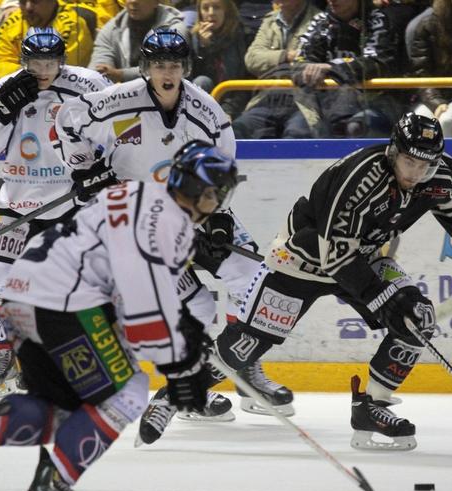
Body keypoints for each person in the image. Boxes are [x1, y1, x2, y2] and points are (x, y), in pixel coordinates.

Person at [0, 141, 239, 491]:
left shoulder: (136, 193)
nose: (214, 203)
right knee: (127, 392)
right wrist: (181, 366)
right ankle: (52, 487)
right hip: (63, 304)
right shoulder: (168, 222)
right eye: (212, 193)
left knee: (69, 407)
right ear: (193, 187)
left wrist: (182, 334)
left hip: (21, 298)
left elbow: (135, 293)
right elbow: (144, 317)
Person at [53, 27, 296, 442]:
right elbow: (67, 120)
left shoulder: (207, 111)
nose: (167, 73)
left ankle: (246, 366)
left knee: (254, 282)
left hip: (194, 213)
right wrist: (85, 168)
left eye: (175, 65)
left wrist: (219, 217)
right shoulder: (116, 100)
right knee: (197, 308)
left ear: (185, 67)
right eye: (159, 65)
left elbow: (224, 166)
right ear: (145, 68)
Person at [207, 113, 452, 451]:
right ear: (393, 152)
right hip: (301, 260)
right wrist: (382, 297)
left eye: (425, 165)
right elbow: (336, 255)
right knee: (246, 346)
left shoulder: (441, 175)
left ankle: (372, 408)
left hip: (363, 257)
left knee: (416, 318)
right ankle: (180, 392)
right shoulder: (362, 176)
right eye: (409, 162)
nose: (416, 173)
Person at [0, 27, 111, 399]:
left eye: (51, 62)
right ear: (24, 60)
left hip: (68, 205)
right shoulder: (4, 89)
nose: (44, 70)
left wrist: (97, 171)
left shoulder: (89, 84)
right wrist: (3, 112)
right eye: (36, 62)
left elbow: (115, 134)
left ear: (62, 60)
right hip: (16, 206)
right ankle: (2, 358)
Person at [291, 0, 405, 138]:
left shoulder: (379, 19)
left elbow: (379, 63)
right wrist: (309, 69)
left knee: (356, 127)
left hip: (374, 101)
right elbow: (299, 63)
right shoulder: (320, 21)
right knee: (296, 130)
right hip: (324, 104)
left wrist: (332, 69)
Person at [232, 0, 322, 139]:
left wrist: (272, 60)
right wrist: (286, 56)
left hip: (303, 101)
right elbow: (252, 59)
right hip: (267, 96)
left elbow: (307, 60)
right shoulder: (270, 20)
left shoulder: (320, 20)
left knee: (296, 136)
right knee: (237, 130)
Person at [0, 0, 109, 82]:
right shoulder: (12, 22)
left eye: (35, 1)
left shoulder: (75, 21)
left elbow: (59, 71)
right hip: (20, 93)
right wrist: (25, 71)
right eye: (23, 1)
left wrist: (23, 71)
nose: (28, 7)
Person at [408, 0, 452, 137]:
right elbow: (421, 72)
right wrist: (436, 102)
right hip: (437, 95)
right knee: (418, 122)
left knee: (446, 121)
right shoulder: (429, 24)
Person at [88, 0, 188, 82]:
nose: (133, 1)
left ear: (156, 2)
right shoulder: (112, 28)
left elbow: (165, 69)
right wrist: (103, 72)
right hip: (124, 95)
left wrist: (121, 75)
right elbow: (98, 65)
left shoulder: (174, 29)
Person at [189, 0, 252, 118]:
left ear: (226, 11)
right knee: (201, 81)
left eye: (217, 7)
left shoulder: (243, 35)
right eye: (205, 8)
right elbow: (191, 79)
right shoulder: (194, 38)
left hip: (236, 101)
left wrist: (228, 111)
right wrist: (204, 48)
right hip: (206, 103)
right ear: (199, 12)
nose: (211, 13)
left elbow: (245, 82)